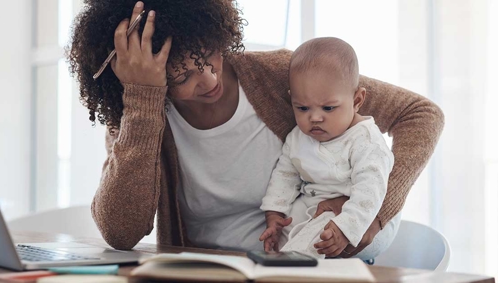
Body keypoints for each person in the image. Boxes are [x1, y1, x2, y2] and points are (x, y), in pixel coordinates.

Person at [67, 0, 444, 256]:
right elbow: (120, 232)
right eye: (182, 76)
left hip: (304, 264)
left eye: (208, 53)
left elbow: (420, 114)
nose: (210, 78)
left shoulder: (279, 76)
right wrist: (141, 101)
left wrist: (373, 213)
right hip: (207, 274)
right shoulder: (140, 118)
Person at [259, 37, 398, 260]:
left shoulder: (365, 141)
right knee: (287, 227)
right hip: (313, 205)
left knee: (317, 237)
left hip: (357, 211)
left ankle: (292, 270)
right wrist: (275, 213)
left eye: (328, 107)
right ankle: (282, 259)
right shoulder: (298, 137)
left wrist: (346, 228)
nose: (314, 117)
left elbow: (370, 192)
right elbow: (285, 174)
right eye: (302, 107)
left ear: (357, 100)